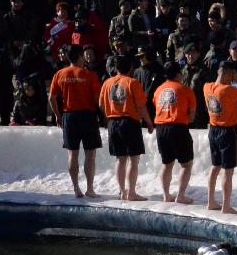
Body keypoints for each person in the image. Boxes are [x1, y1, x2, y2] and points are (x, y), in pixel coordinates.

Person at [48, 44, 102, 198]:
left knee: (72, 154)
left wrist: (58, 115)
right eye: (83, 55)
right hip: (88, 116)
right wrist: (104, 114)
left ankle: (76, 188)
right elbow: (96, 98)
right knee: (90, 154)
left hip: (69, 116)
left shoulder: (60, 73)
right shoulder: (89, 75)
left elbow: (51, 97)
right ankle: (90, 189)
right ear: (79, 57)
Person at [99, 55, 154, 201]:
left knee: (120, 159)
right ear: (130, 68)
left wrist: (108, 117)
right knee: (133, 160)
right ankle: (132, 193)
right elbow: (141, 106)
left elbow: (101, 104)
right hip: (129, 122)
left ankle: (122, 191)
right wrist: (149, 122)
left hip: (113, 122)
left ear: (116, 68)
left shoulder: (107, 83)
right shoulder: (132, 82)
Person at [204, 61, 237, 214]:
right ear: (227, 74)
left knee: (215, 166)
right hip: (228, 131)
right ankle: (226, 206)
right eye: (232, 74)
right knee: (227, 171)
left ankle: (211, 201)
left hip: (213, 130)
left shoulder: (206, 87)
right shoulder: (228, 90)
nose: (233, 78)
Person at [152, 60, 196, 202]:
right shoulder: (185, 89)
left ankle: (166, 195)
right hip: (178, 127)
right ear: (178, 74)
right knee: (186, 164)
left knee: (167, 163)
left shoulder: (158, 90)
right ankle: (181, 196)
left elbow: (155, 106)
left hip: (161, 128)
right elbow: (192, 115)